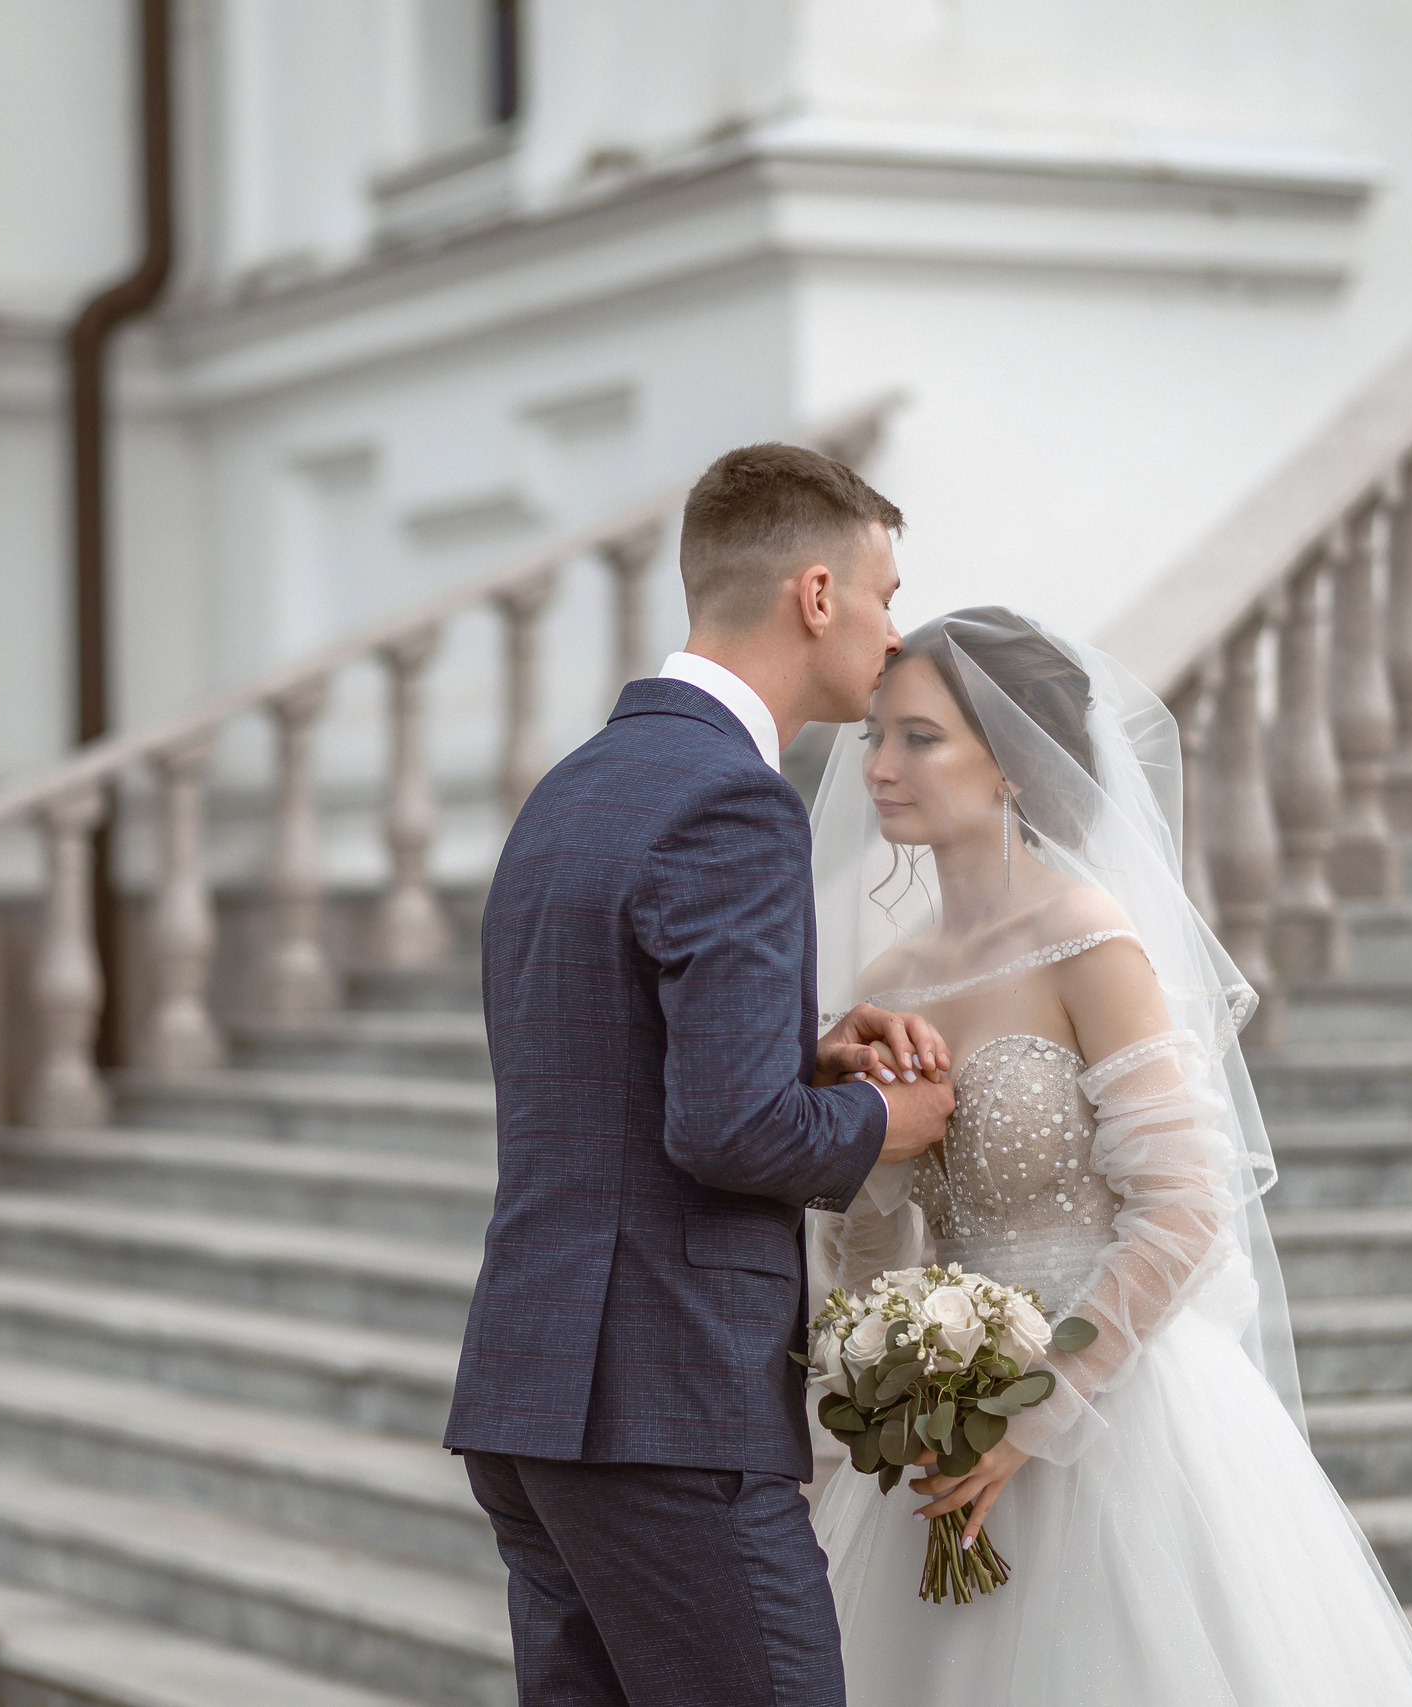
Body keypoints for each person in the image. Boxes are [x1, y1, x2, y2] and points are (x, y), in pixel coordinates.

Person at [806, 607, 1412, 1706]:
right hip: (944, 1431)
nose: (878, 767)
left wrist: (1037, 1411)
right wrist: (870, 1178)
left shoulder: (1087, 937)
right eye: (875, 735)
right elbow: (876, 1250)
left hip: (1116, 1413)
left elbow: (1185, 1204)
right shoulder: (890, 979)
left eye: (919, 738)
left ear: (1012, 765)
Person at [446, 443, 958, 1707]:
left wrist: (802, 1056)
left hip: (534, 1390)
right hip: (664, 1405)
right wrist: (886, 1116)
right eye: (886, 595)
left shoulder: (574, 786)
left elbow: (606, 1060)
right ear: (818, 595)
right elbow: (730, 1135)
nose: (894, 633)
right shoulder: (733, 800)